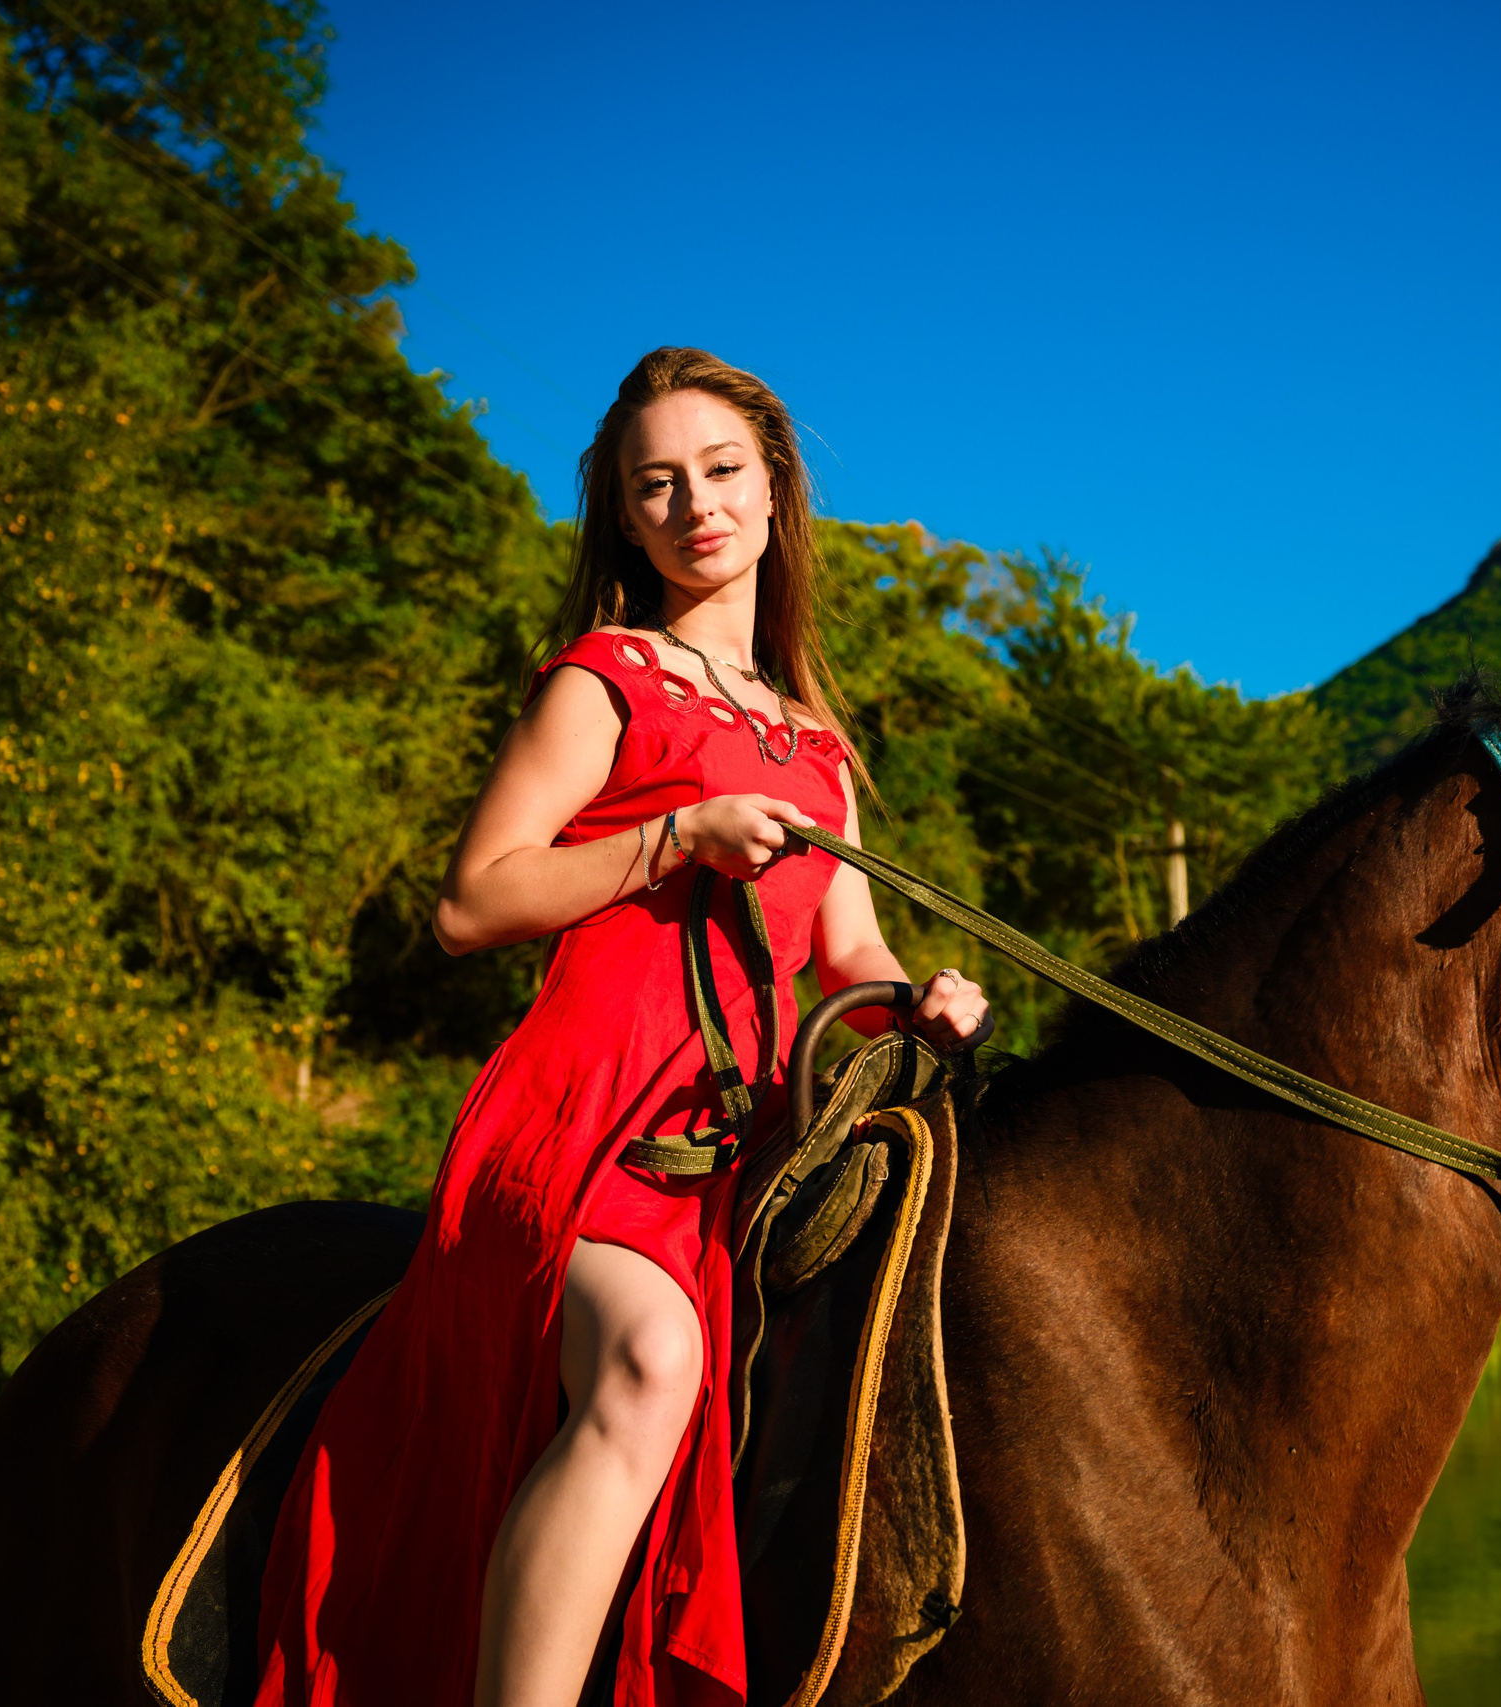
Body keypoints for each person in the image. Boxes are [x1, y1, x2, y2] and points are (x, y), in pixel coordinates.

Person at [253, 347, 989, 1707]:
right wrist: (674, 836)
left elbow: (850, 949)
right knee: (653, 1365)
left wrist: (924, 1003)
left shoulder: (817, 744)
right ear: (626, 516)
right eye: (658, 484)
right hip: (586, 1126)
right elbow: (472, 901)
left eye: (720, 471)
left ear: (775, 492)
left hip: (752, 1150)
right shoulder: (601, 682)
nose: (693, 504)